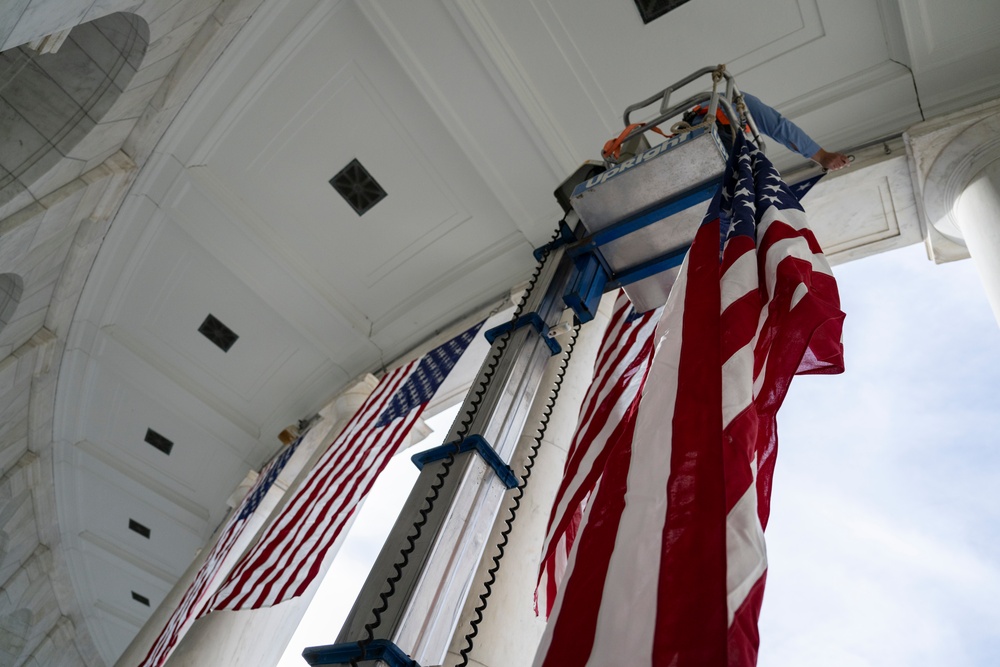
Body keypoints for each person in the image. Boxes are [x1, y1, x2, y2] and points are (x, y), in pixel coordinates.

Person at [688, 92, 851, 171]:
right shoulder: (740, 101)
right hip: (717, 132)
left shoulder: (707, 107)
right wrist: (821, 155)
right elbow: (780, 128)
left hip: (692, 137)